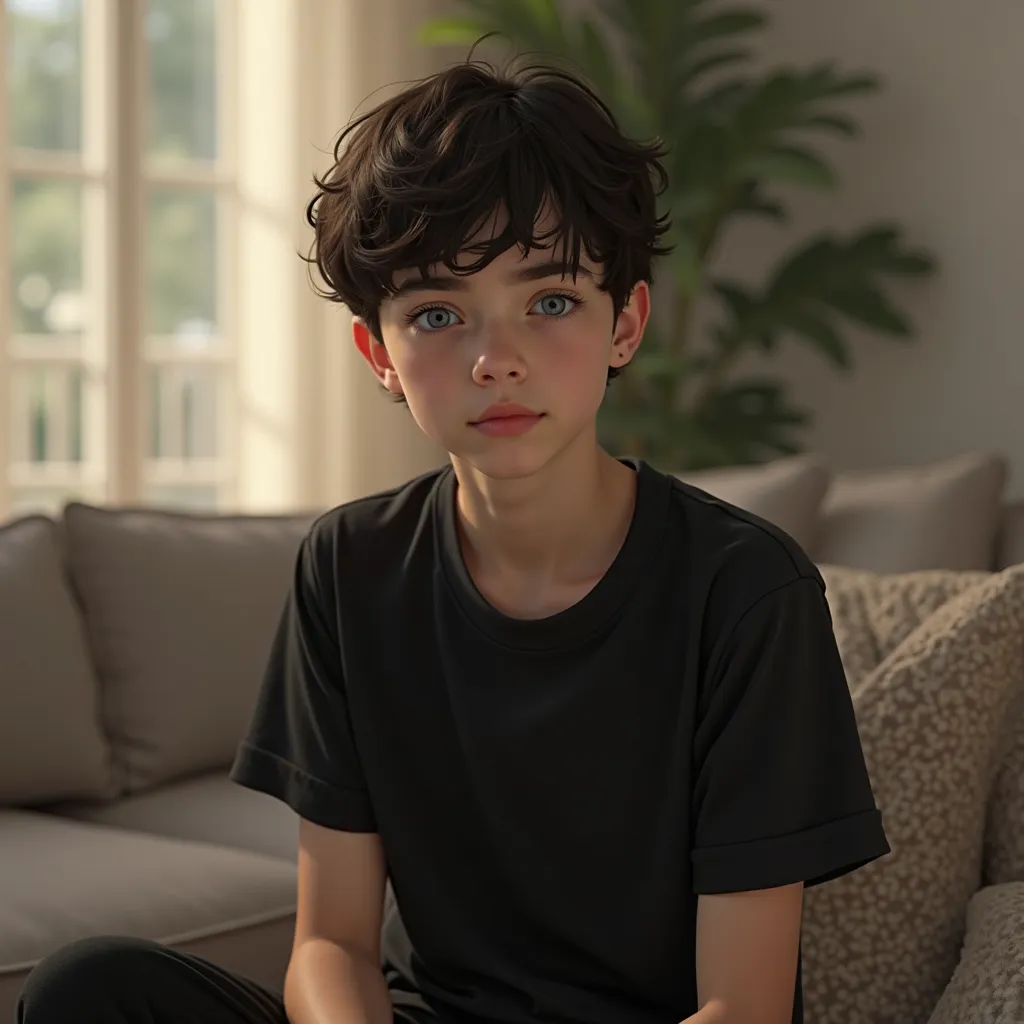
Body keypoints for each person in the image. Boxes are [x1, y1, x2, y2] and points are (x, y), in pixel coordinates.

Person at [16, 54, 889, 1024]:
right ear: (378, 353)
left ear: (625, 323)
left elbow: (744, 1007)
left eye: (548, 301)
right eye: (437, 313)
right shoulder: (348, 567)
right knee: (89, 990)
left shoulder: (746, 590)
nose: (494, 359)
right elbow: (332, 943)